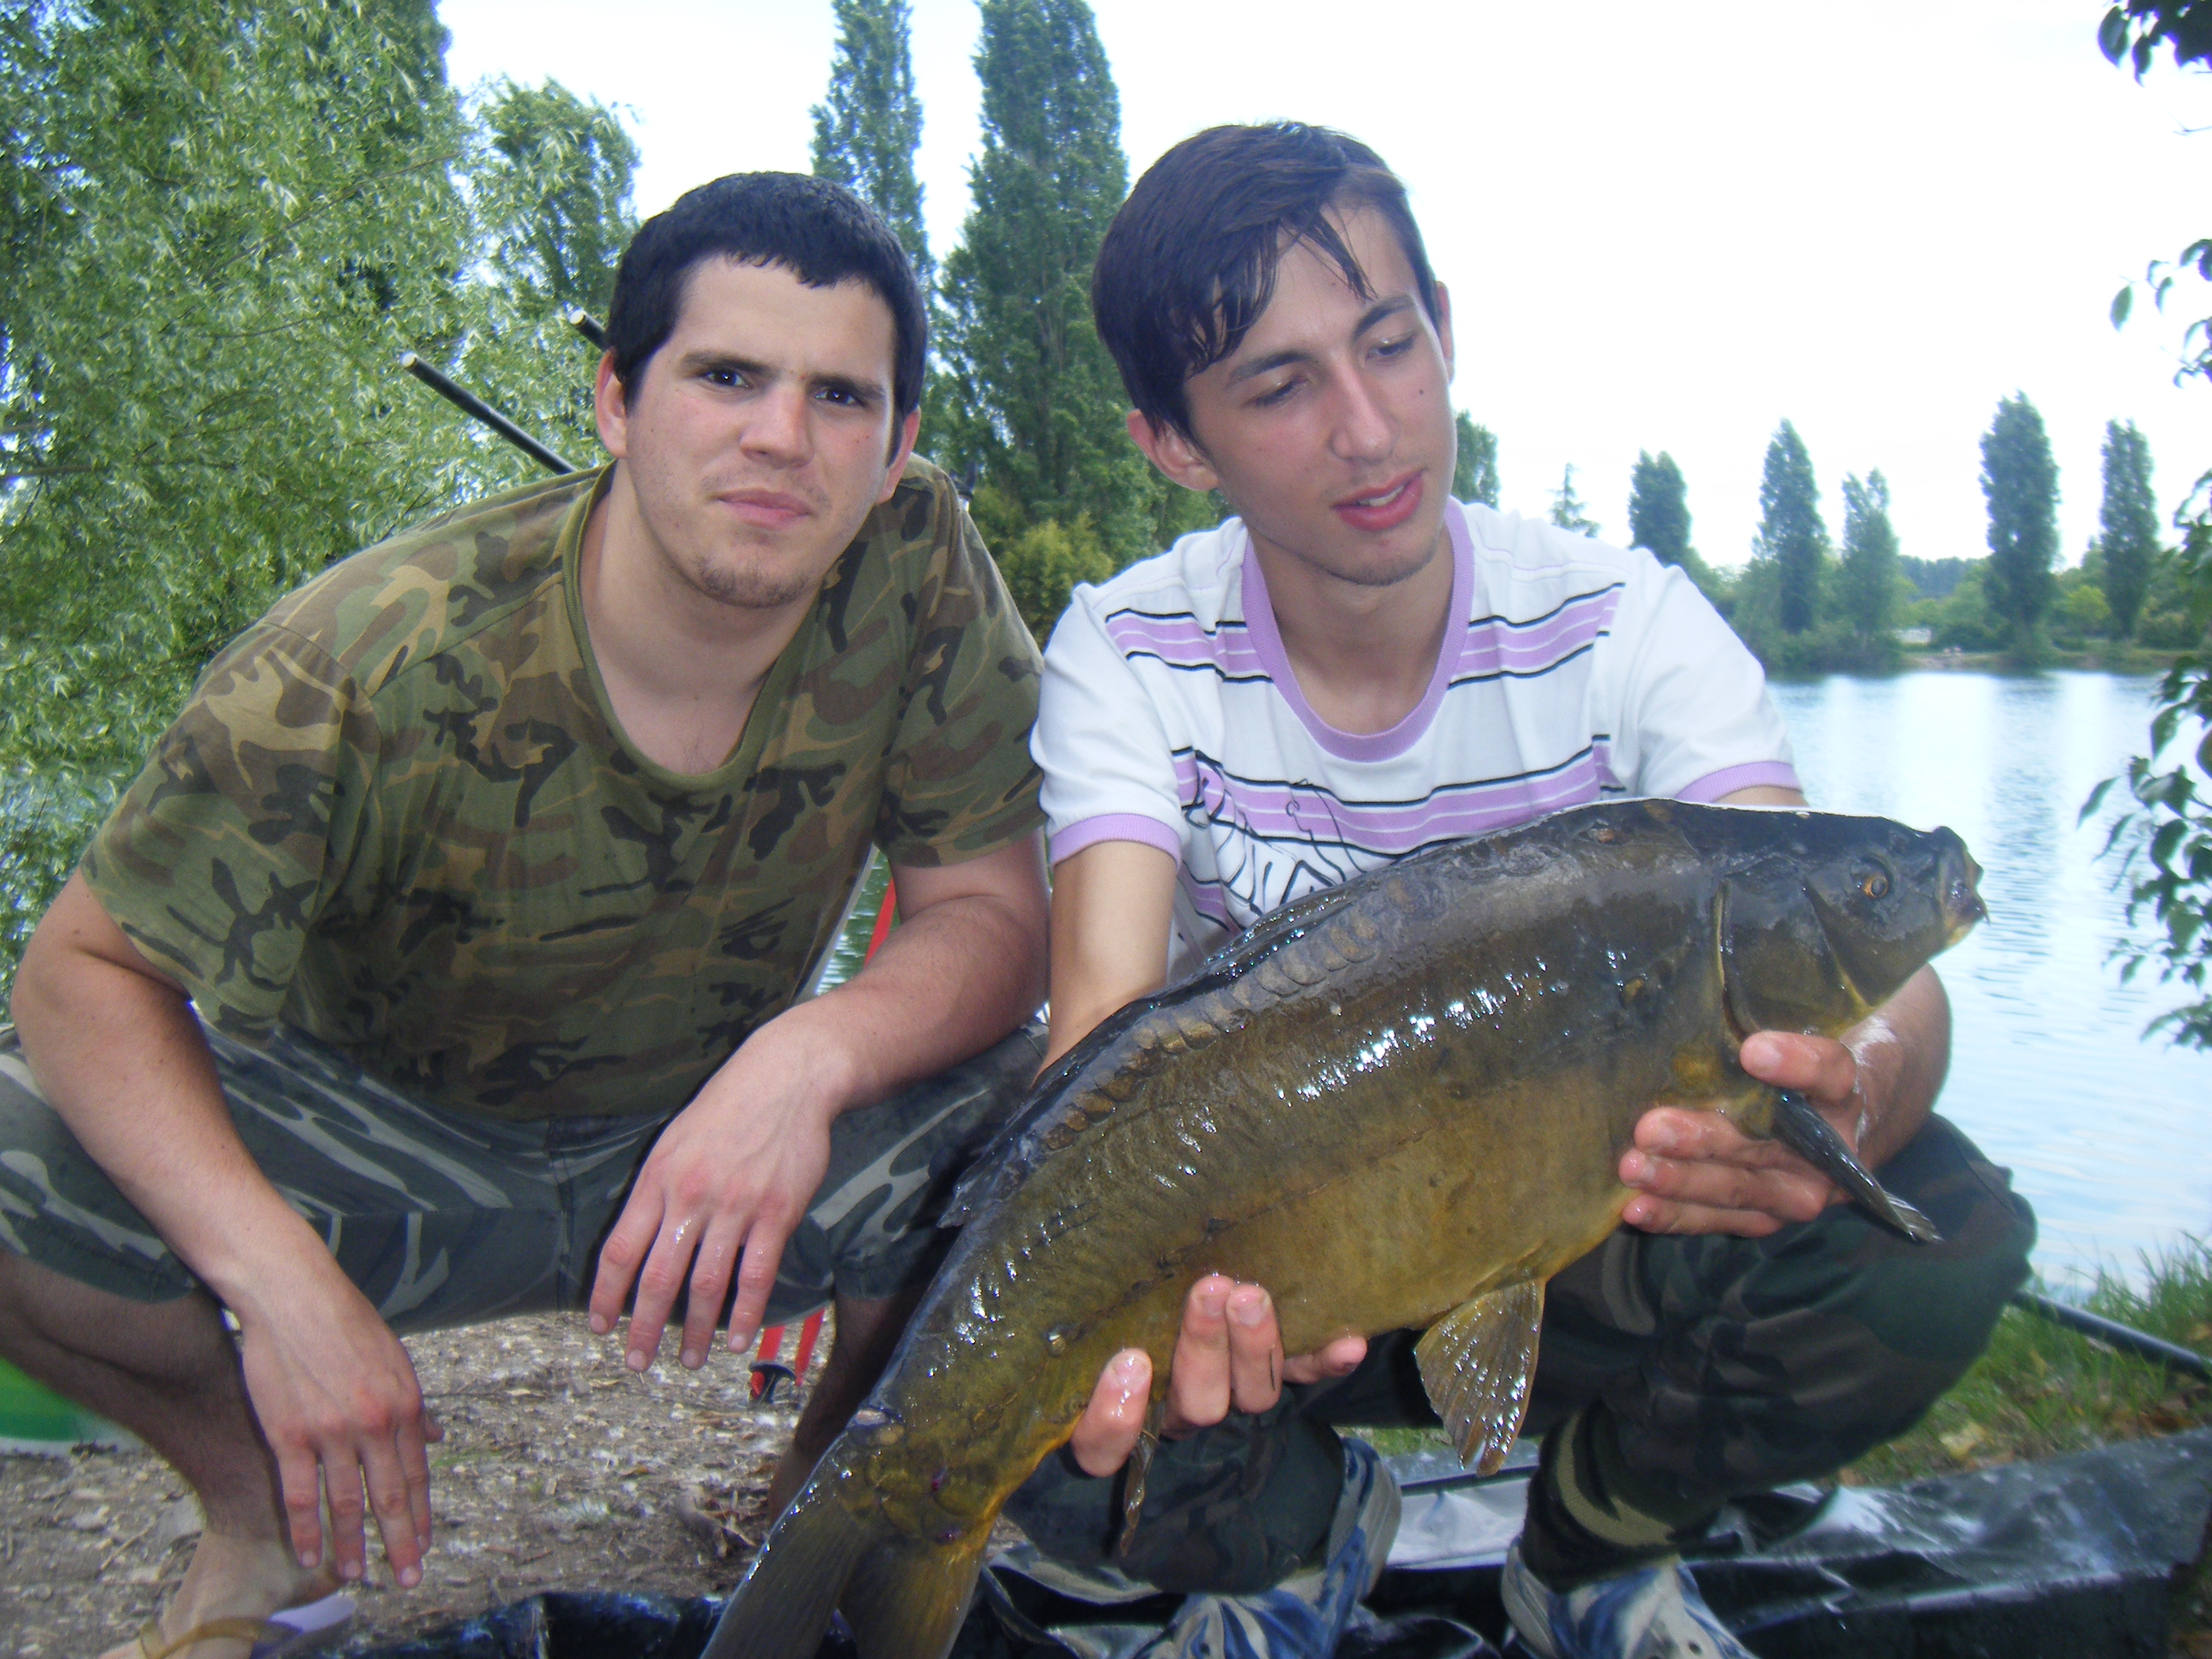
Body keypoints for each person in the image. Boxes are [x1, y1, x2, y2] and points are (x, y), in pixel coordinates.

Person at [1012, 124, 2034, 1659]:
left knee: (1934, 1228)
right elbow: (1096, 1042)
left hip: (1580, 1236)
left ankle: (1593, 1550)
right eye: (1282, 387)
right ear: (1176, 442)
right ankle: (1286, 1545)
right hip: (1278, 1257)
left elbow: (1839, 946)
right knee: (998, 1323)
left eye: (1389, 344)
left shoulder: (1626, 622)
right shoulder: (1127, 650)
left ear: (1444, 327)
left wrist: (1860, 1088)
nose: (1370, 429)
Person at [0, 173, 1051, 1659]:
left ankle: (821, 1517)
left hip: (706, 1129)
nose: (781, 437)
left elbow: (992, 917)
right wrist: (276, 1285)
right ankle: (267, 1525)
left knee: (1056, 1122)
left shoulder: (916, 565)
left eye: (840, 397)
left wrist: (803, 1061)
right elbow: (80, 977)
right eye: (727, 376)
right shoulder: (370, 649)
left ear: (896, 449)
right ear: (618, 401)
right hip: (384, 1135)